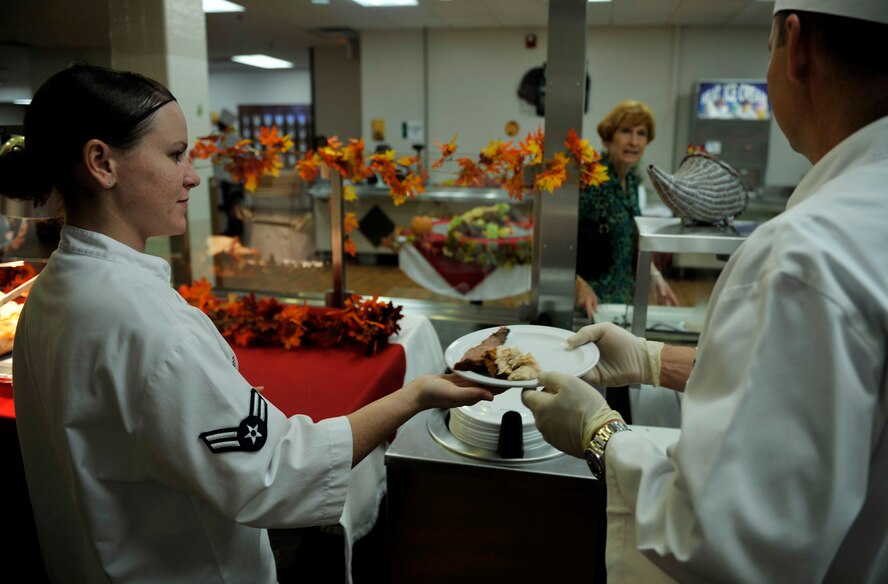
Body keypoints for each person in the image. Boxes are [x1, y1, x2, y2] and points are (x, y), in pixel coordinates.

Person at [1, 65, 496, 583]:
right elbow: (279, 474)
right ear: (102, 162)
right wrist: (414, 396)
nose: (192, 175)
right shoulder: (151, 326)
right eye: (174, 154)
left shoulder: (53, 289)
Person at [526, 1, 888, 582]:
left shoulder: (802, 255)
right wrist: (656, 360)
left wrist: (602, 435)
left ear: (793, 46)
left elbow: (724, 540)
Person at [575, 100, 678, 318]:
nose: (634, 141)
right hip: (589, 304)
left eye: (641, 133)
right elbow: (557, 242)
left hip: (622, 301)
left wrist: (654, 275)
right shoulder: (590, 181)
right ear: (607, 138)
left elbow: (631, 238)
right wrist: (577, 283)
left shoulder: (631, 181)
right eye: (625, 131)